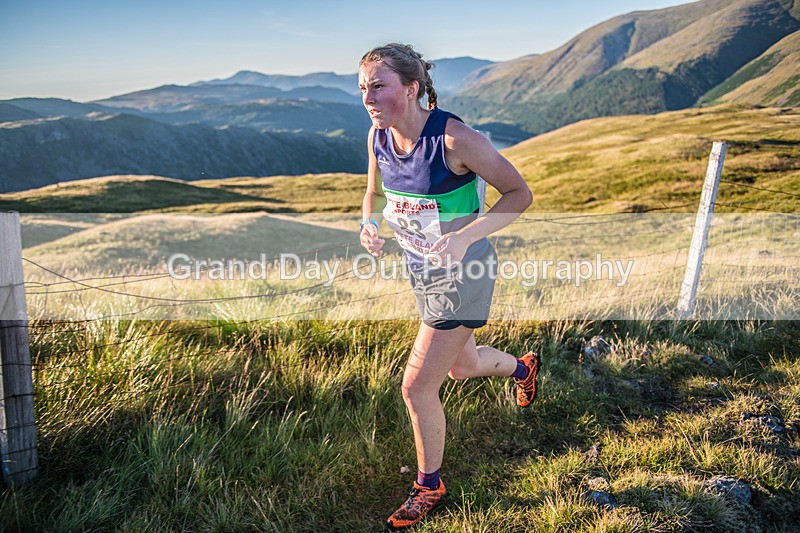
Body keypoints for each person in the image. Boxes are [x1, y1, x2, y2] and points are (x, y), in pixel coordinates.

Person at [357, 43, 540, 530]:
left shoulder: (455, 140)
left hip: (465, 274)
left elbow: (520, 193)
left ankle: (428, 485)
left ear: (412, 88)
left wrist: (464, 237)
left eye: (379, 86)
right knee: (463, 366)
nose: (368, 98)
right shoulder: (379, 136)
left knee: (417, 387)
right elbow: (374, 194)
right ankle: (522, 368)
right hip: (423, 271)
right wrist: (369, 224)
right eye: (363, 88)